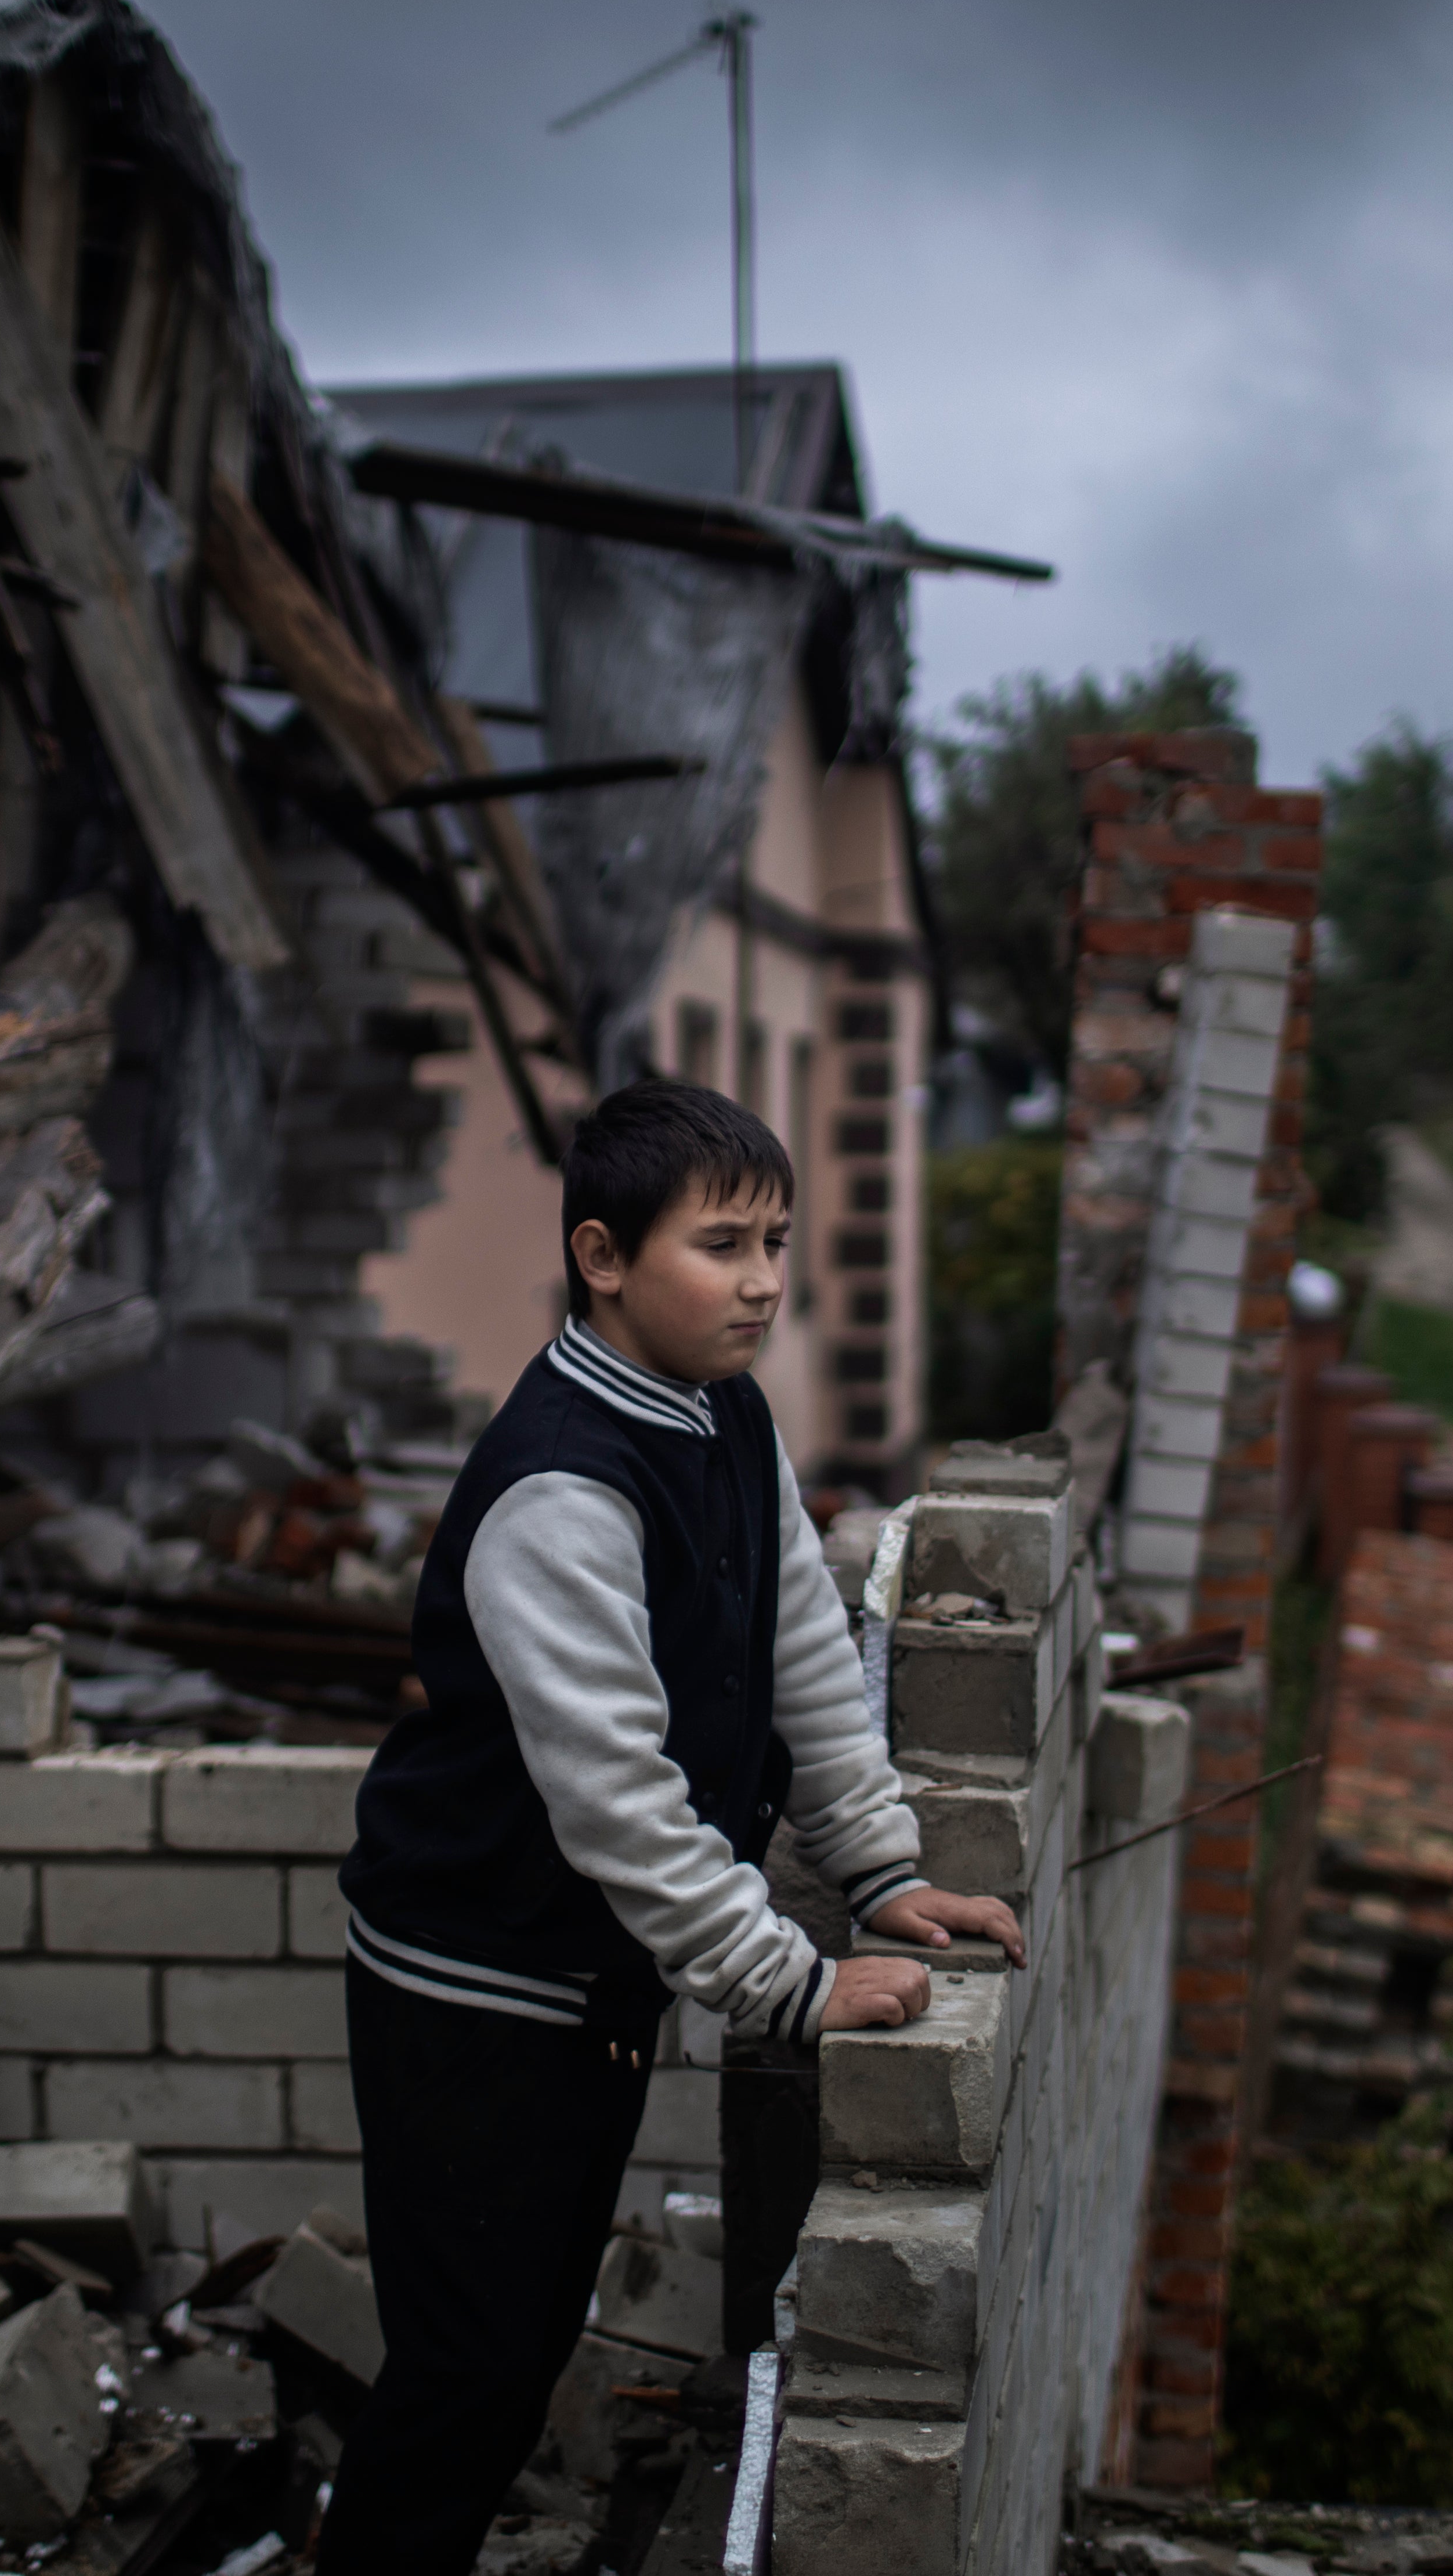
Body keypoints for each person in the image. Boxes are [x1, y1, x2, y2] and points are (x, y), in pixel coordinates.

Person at [320, 1079, 1024, 2571]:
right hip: (473, 1981)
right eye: (722, 1242)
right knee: (469, 2374)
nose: (765, 1279)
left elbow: (804, 1659)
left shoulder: (724, 1416)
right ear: (604, 1255)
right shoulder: (560, 1489)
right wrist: (794, 1981)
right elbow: (623, 1808)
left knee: (507, 2359)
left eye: (776, 1240)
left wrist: (882, 1867)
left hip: (579, 1986)